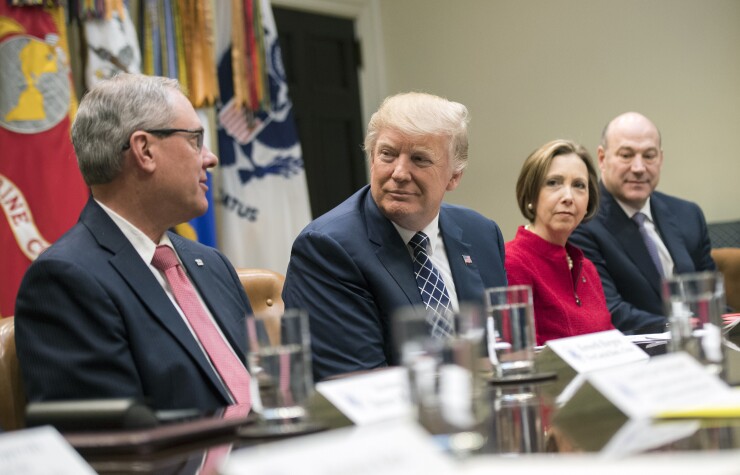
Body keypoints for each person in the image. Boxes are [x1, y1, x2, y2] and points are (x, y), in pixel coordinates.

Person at [15, 73, 254, 413]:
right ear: (144, 150)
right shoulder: (65, 281)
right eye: (195, 140)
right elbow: (116, 444)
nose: (210, 158)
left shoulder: (213, 265)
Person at [282, 92, 507, 381]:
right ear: (372, 158)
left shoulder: (481, 234)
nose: (399, 173)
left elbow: (501, 349)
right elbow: (361, 383)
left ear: (454, 176)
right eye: (388, 154)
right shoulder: (327, 248)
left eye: (419, 159)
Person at [569, 112, 715, 334]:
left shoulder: (688, 214)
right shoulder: (583, 222)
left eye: (649, 156)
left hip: (701, 347)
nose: (638, 168)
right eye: (626, 155)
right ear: (602, 159)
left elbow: (711, 296)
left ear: (661, 158)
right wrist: (682, 328)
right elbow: (612, 312)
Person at [506, 139, 613, 345]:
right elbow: (522, 355)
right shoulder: (512, 263)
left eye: (579, 185)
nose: (568, 197)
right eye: (553, 183)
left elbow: (610, 340)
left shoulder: (587, 269)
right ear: (532, 194)